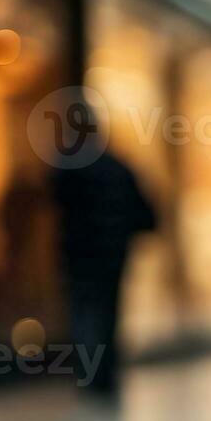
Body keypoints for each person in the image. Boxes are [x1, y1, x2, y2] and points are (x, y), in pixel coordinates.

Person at [49, 139, 156, 396]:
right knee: (106, 314)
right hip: (111, 254)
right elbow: (143, 209)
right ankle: (103, 372)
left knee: (85, 313)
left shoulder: (70, 171)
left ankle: (91, 373)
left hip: (82, 256)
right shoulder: (117, 168)